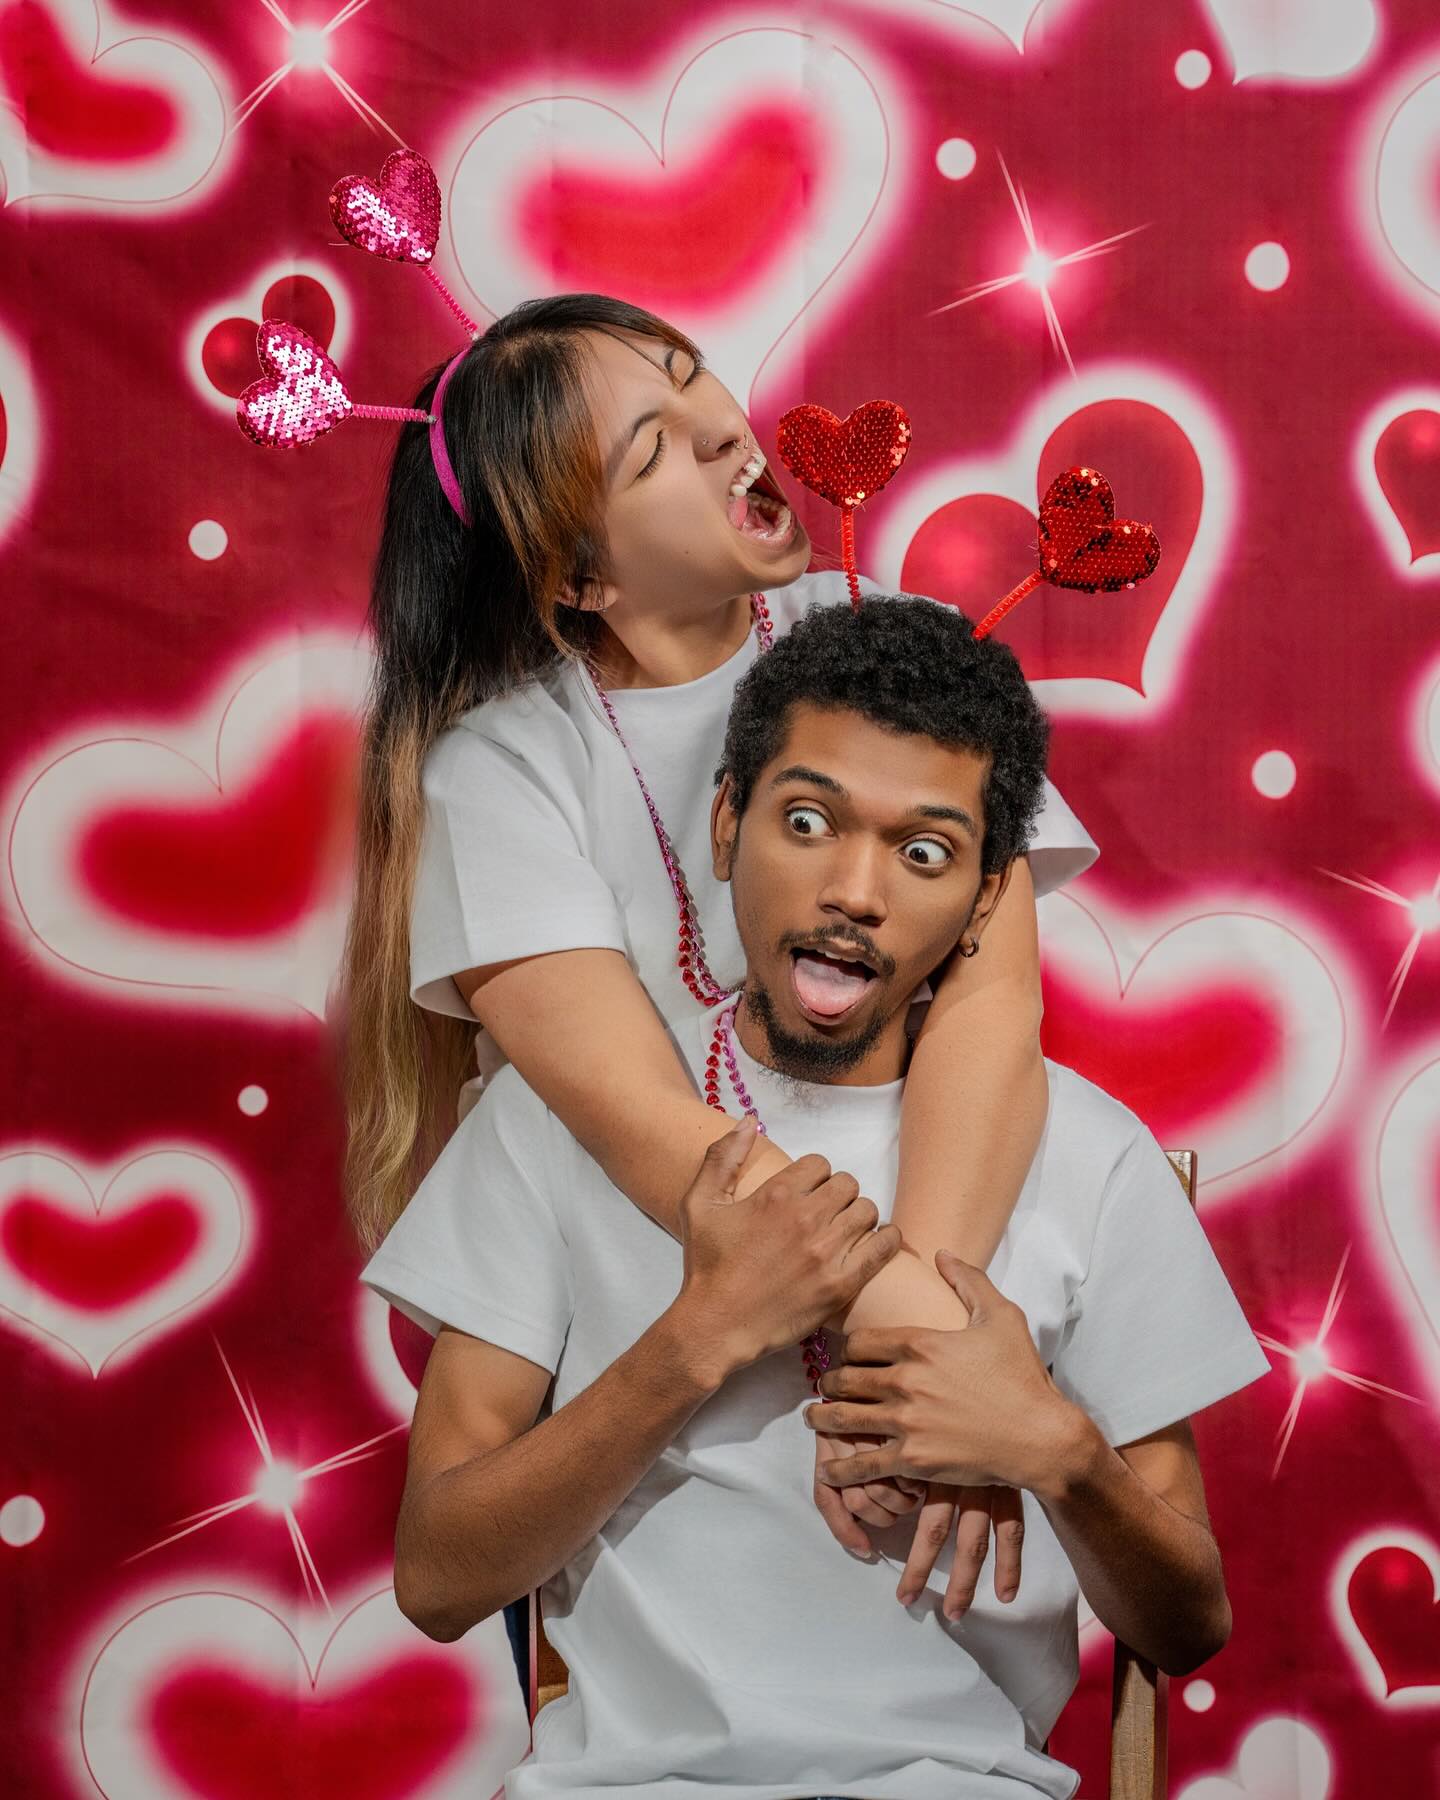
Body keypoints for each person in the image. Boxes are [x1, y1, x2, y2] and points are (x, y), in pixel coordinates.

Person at [360, 598, 1268, 1800]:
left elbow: (1188, 1623)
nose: (856, 889)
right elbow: (437, 1577)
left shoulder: (1091, 1153)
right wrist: (697, 1341)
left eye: (925, 853)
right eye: (806, 820)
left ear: (990, 899)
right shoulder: (555, 1121)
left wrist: (1057, 1451)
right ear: (727, 823)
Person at [342, 293, 1096, 1567]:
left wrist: (926, 1348)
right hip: (661, 1304)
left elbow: (986, 1002)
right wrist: (918, 1352)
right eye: (655, 448)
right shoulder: (504, 771)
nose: (725, 431)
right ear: (583, 576)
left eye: (695, 383)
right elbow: (645, 1124)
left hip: (925, 1225)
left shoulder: (869, 638)